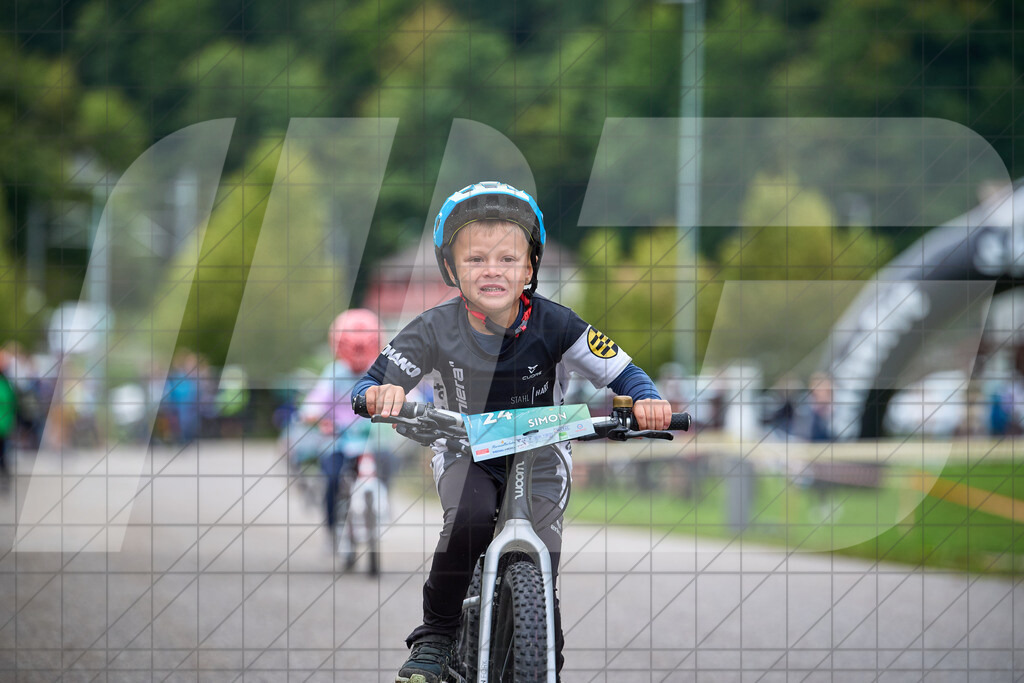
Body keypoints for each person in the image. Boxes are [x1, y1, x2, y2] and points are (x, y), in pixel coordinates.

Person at [352, 181, 672, 683]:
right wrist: (380, 394)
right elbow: (374, 382)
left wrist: (648, 399)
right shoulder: (432, 328)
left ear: (530, 269)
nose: (492, 270)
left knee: (541, 557)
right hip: (465, 452)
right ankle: (435, 637)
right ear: (451, 269)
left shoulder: (558, 323)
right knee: (472, 515)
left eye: (507, 259)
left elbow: (622, 371)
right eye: (476, 259)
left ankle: (543, 660)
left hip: (543, 456)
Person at [300, 308, 390, 566]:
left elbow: (408, 394)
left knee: (388, 465)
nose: (358, 353)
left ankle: (380, 508)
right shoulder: (334, 373)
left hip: (372, 439)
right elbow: (314, 402)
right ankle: (332, 529)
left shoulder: (382, 371)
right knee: (331, 478)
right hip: (338, 440)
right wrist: (315, 416)